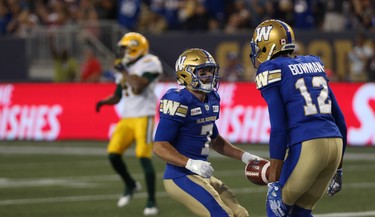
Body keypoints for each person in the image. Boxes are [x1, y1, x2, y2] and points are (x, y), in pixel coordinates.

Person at [249, 19, 347, 217]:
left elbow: (278, 127)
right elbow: (340, 119)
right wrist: (339, 167)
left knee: (276, 209)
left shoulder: (271, 69)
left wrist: (274, 181)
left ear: (269, 45)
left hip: (307, 145)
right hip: (335, 144)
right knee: (301, 213)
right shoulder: (313, 63)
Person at [153, 48, 260, 217]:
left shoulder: (212, 98)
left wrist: (245, 156)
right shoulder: (178, 99)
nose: (209, 76)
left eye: (210, 71)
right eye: (202, 72)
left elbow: (215, 140)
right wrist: (190, 163)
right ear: (186, 74)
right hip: (181, 176)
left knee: (240, 214)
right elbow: (159, 146)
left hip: (201, 175)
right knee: (222, 215)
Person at [96, 32, 162, 216]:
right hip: (127, 117)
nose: (123, 51)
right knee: (113, 155)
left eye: (126, 48)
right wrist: (104, 101)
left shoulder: (150, 62)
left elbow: (138, 86)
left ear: (135, 47)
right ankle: (131, 184)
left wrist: (124, 71)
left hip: (144, 116)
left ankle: (151, 202)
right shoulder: (126, 66)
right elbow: (118, 95)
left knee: (143, 156)